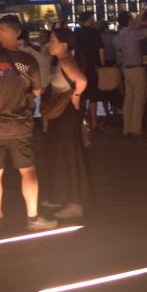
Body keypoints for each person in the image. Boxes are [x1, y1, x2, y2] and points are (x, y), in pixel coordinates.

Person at [0, 14, 55, 229]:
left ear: (15, 32)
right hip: (21, 124)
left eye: (2, 29)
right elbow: (38, 89)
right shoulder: (28, 61)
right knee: (28, 170)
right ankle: (32, 217)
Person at [39, 27, 90, 219]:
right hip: (60, 114)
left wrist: (75, 95)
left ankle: (75, 202)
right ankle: (61, 196)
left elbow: (82, 80)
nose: (49, 43)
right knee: (60, 154)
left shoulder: (66, 61)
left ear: (64, 44)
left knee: (70, 155)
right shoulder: (59, 61)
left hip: (66, 114)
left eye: (53, 39)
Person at [116, 6, 147, 138]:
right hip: (137, 68)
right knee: (138, 100)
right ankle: (136, 128)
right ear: (129, 20)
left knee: (128, 100)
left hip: (127, 70)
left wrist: (140, 16)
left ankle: (126, 128)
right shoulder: (133, 34)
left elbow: (136, 24)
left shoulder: (122, 33)